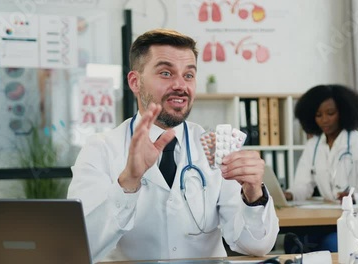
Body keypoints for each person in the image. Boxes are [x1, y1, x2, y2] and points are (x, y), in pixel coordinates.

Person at [67, 29, 279, 262]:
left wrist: (253, 194)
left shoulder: (215, 147)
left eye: (189, 75)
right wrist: (128, 181)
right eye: (166, 73)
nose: (180, 85)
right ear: (135, 82)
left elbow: (256, 246)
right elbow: (81, 249)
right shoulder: (100, 150)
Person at [284, 84, 358, 253]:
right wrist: (289, 194)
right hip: (326, 220)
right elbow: (303, 186)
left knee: (333, 245)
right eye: (318, 115)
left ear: (344, 112)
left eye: (330, 113)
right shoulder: (313, 145)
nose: (324, 120)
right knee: (293, 242)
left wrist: (352, 198)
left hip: (355, 219)